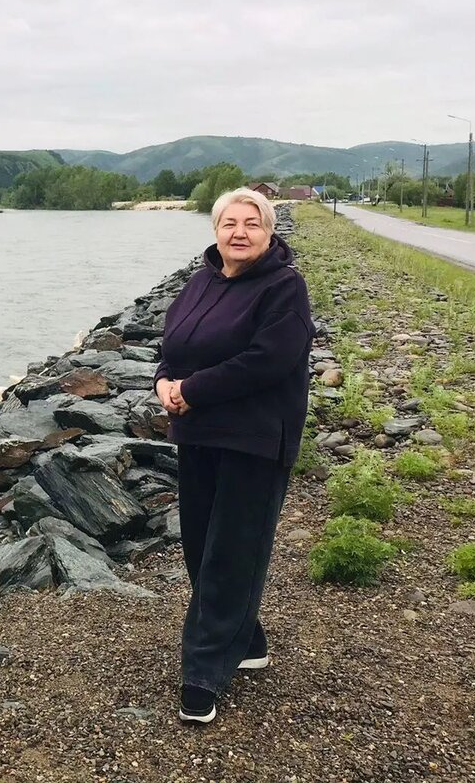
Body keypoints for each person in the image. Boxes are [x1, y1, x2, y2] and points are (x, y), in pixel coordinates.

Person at [153, 187, 314, 724]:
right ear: (216, 230)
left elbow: (267, 361)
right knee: (201, 547)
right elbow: (171, 345)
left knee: (231, 551)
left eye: (252, 223)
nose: (239, 232)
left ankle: (203, 672)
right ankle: (247, 640)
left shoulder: (285, 288)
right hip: (198, 433)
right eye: (229, 223)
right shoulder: (201, 282)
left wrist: (191, 390)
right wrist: (163, 383)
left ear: (269, 233)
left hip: (256, 437)